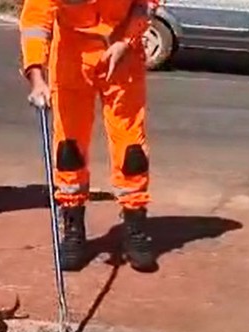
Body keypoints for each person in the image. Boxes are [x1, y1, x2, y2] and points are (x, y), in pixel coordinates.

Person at [19, 0, 157, 272]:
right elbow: (35, 21)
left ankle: (135, 227)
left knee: (132, 150)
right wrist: (36, 76)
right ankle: (73, 230)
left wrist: (126, 41)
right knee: (69, 147)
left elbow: (145, 4)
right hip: (72, 53)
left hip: (122, 52)